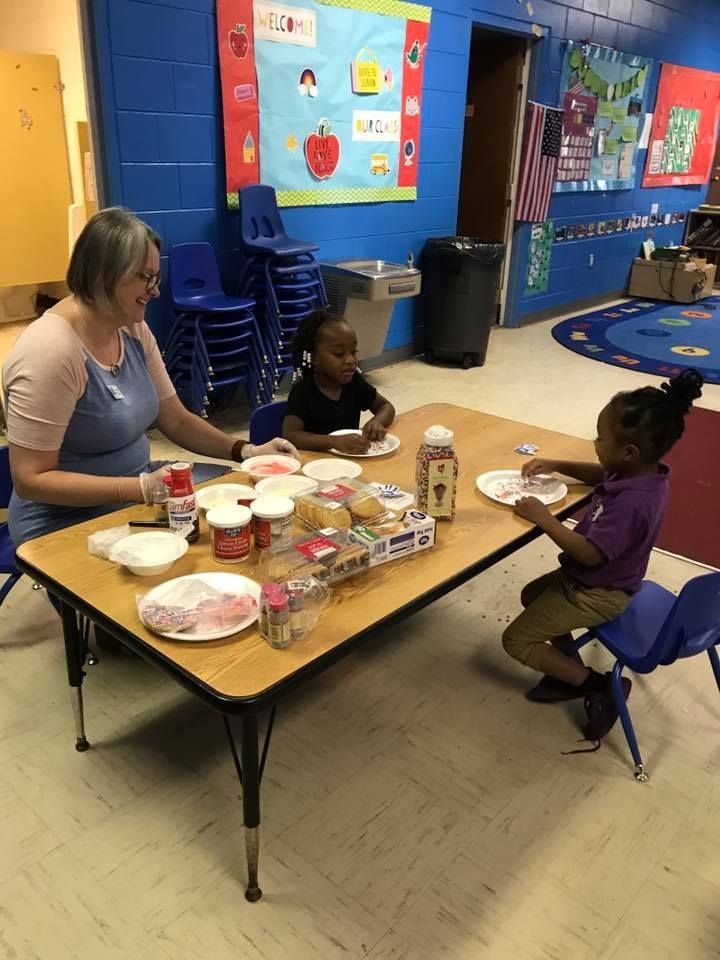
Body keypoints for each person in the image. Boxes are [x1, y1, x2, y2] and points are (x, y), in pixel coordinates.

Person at [3, 207, 297, 550]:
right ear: (104, 275)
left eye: (155, 278)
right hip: (61, 520)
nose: (155, 291)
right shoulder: (51, 352)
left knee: (242, 501)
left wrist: (246, 450)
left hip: (136, 489)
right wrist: (139, 488)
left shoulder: (132, 329)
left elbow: (174, 418)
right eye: (146, 277)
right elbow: (31, 480)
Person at [502, 368, 703, 734]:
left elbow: (591, 555)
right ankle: (565, 672)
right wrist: (557, 464)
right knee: (531, 595)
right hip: (590, 580)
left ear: (628, 452)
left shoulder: (632, 503)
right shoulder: (637, 471)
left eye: (600, 439)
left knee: (516, 640)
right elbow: (601, 474)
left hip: (599, 591)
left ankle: (599, 685)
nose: (594, 443)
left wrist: (544, 519)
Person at [282, 310, 395, 454]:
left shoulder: (354, 382)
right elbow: (291, 435)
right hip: (315, 464)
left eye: (353, 352)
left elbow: (385, 406)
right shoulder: (303, 391)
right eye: (339, 354)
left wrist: (377, 422)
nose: (350, 360)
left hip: (352, 462)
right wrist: (334, 441)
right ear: (314, 357)